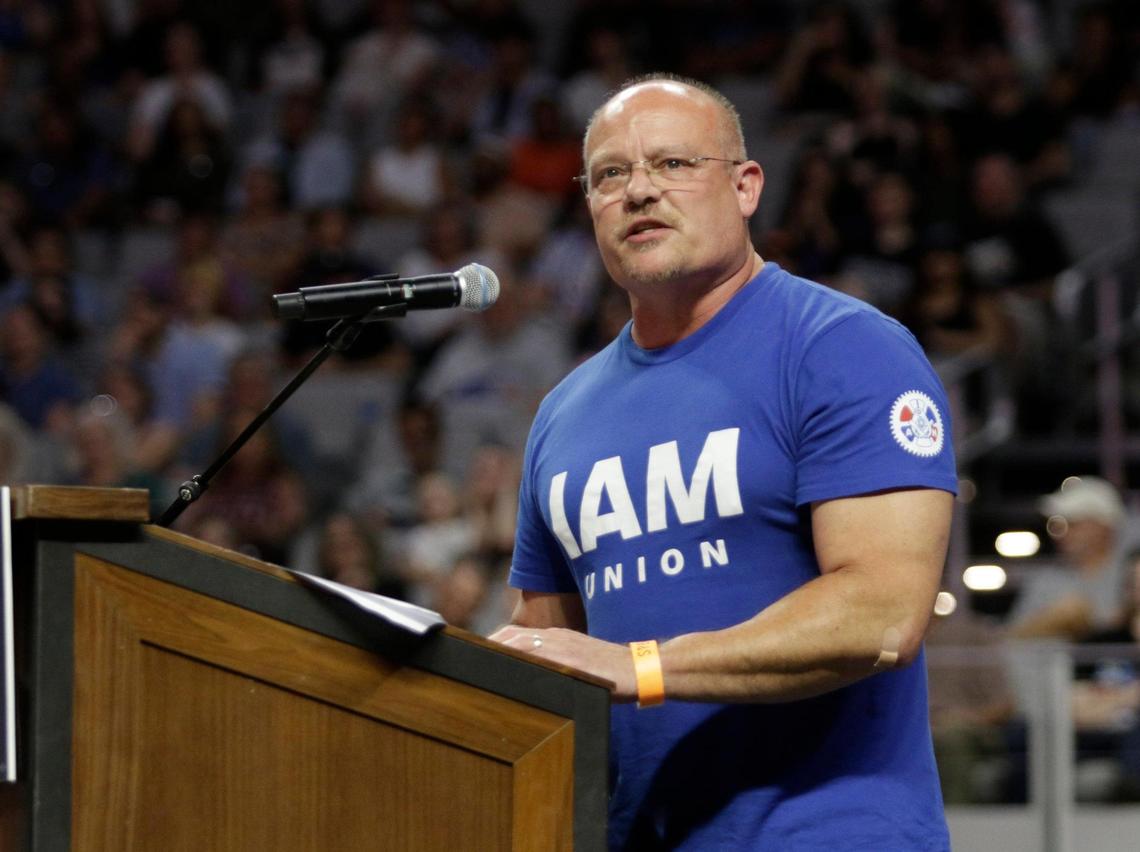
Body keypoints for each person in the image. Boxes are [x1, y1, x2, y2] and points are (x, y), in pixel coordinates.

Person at [490, 74, 957, 849]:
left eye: (672, 164)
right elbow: (547, 646)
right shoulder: (563, 413)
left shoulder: (841, 348)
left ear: (745, 187)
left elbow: (881, 614)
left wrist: (641, 669)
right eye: (610, 174)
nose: (638, 190)